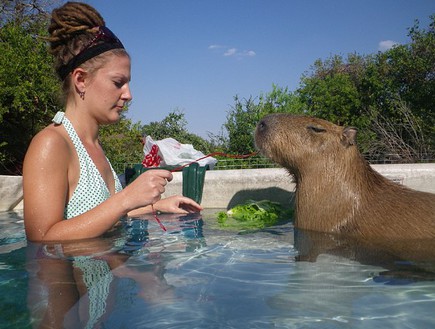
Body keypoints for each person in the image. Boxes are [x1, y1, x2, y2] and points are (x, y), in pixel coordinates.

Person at [23, 1, 202, 242]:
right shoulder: (51, 144)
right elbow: (41, 237)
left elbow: (99, 217)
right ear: (81, 80)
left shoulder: (94, 146)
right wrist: (126, 198)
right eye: (118, 82)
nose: (129, 94)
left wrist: (155, 207)